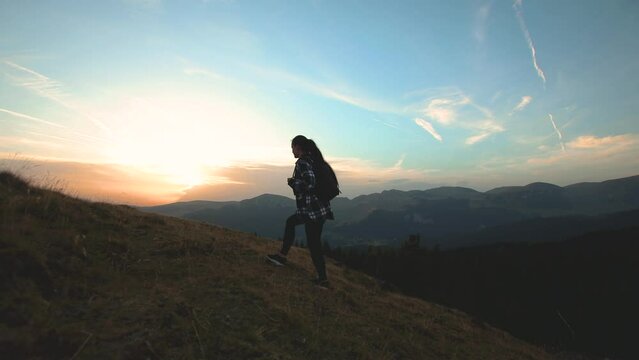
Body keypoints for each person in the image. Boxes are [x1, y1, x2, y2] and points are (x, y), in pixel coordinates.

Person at [266, 135, 335, 288]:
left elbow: (310, 184)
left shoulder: (303, 162)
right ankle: (282, 257)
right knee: (291, 223)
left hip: (312, 211)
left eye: (293, 148)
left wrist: (293, 182)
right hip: (318, 209)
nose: (292, 152)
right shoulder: (314, 160)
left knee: (314, 244)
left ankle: (323, 280)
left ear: (298, 147)